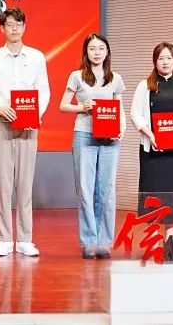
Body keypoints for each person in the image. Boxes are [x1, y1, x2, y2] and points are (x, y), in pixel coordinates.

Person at [0, 7, 50, 257]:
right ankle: (4, 239)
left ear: (24, 27)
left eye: (19, 24)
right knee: (3, 184)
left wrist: (35, 115)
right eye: (9, 24)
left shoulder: (37, 57)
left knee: (25, 183)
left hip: (28, 126)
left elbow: (44, 90)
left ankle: (26, 239)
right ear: (2, 28)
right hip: (1, 124)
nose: (14, 28)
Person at [58, 33, 125, 259]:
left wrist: (122, 128)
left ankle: (104, 242)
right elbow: (63, 105)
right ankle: (88, 241)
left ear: (107, 52)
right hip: (84, 135)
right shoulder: (77, 76)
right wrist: (82, 107)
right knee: (85, 189)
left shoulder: (115, 78)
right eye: (92, 48)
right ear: (86, 52)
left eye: (101, 48)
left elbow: (119, 107)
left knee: (107, 190)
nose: (97, 53)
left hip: (110, 138)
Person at [129, 42, 173, 236]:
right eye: (161, 58)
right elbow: (135, 114)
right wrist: (150, 135)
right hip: (152, 151)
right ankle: (152, 238)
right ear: (155, 61)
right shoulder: (145, 85)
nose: (165, 62)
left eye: (169, 58)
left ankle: (169, 239)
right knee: (152, 193)